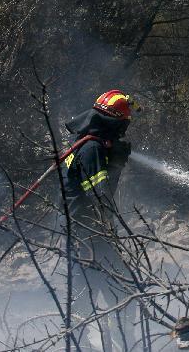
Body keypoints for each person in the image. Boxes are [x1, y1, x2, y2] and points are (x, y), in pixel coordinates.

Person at [62, 90, 137, 352]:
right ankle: (124, 346)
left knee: (84, 299)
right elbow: (101, 197)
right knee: (125, 292)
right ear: (115, 122)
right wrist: (115, 162)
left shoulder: (83, 142)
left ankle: (81, 346)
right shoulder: (92, 149)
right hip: (91, 236)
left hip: (83, 233)